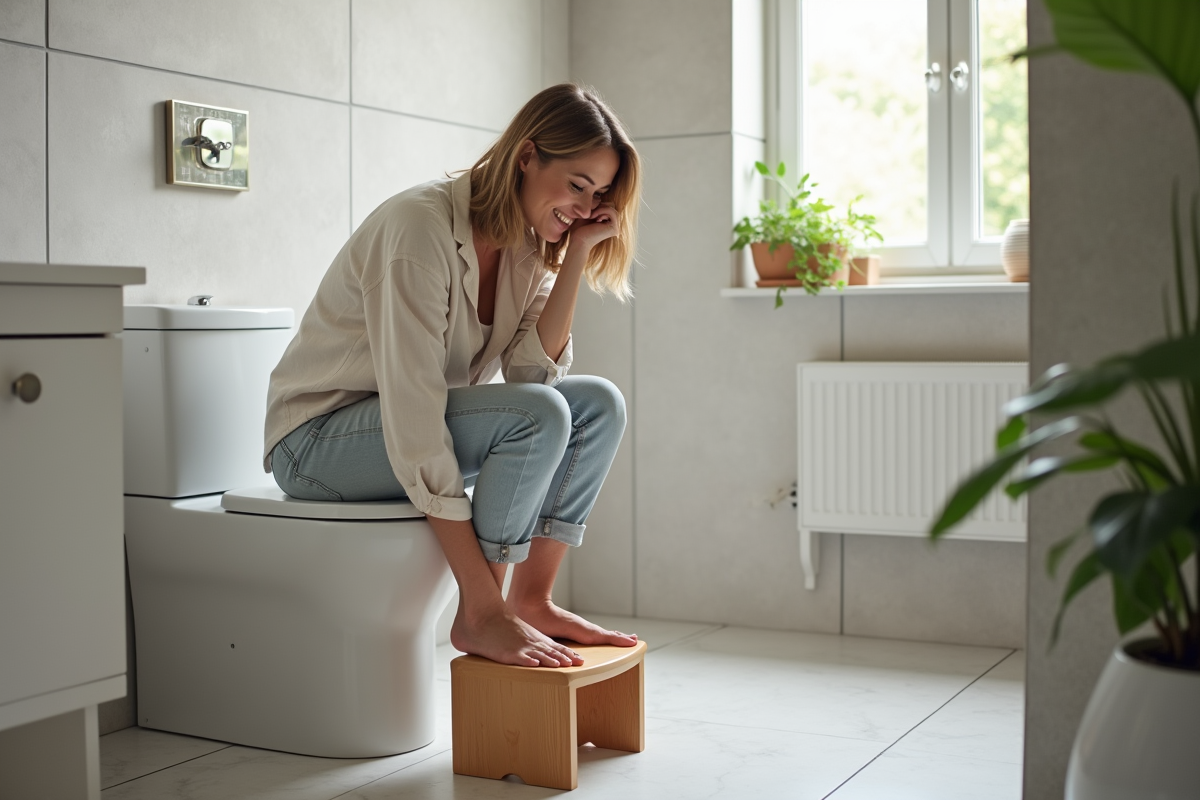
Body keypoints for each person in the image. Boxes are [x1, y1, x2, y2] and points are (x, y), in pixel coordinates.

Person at [262, 84, 642, 668]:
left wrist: (577, 254)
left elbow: (530, 372)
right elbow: (415, 418)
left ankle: (532, 600)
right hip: (316, 443)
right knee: (539, 416)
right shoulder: (419, 228)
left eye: (599, 196)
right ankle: (484, 612)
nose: (588, 207)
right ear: (527, 156)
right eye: (577, 185)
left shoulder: (531, 243)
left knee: (598, 403)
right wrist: (480, 600)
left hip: (396, 429)